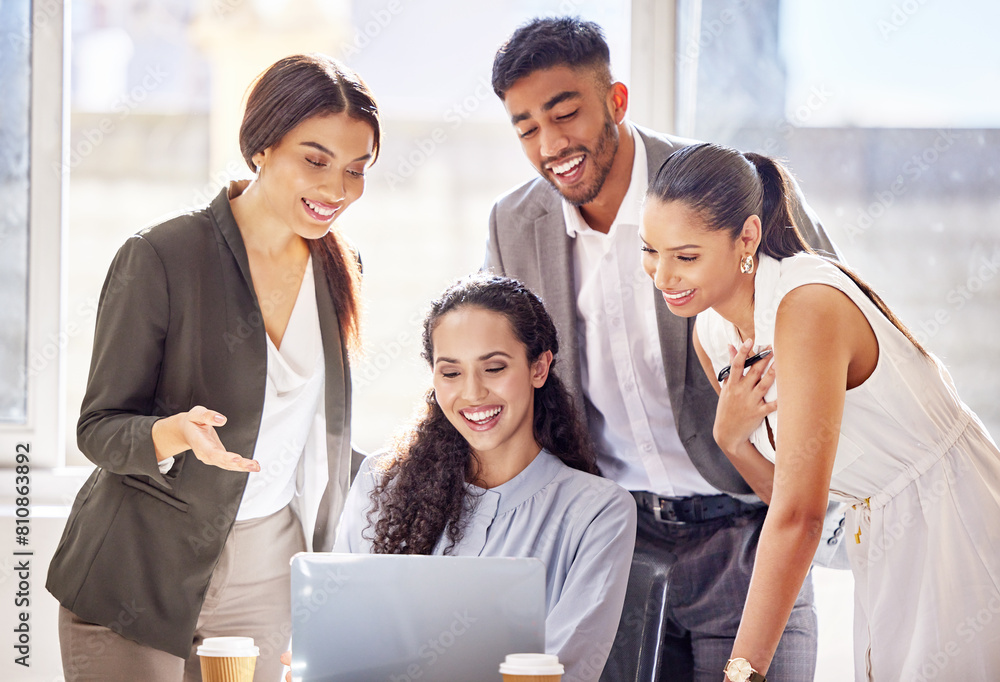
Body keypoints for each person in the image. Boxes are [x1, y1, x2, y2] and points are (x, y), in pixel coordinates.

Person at [485, 16, 843, 681]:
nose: (551, 144)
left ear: (616, 101)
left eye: (566, 114)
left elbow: (834, 322)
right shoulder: (513, 224)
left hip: (745, 536)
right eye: (527, 128)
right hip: (618, 547)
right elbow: (501, 380)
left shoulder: (727, 186)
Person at [45, 53, 381, 682]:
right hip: (139, 570)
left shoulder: (341, 268)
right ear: (262, 147)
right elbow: (99, 427)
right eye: (315, 160)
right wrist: (173, 433)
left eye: (356, 170)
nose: (337, 189)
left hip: (269, 571)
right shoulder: (160, 256)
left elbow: (312, 432)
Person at [639, 141, 1000, 681]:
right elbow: (794, 497)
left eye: (685, 256)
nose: (662, 277)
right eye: (649, 251)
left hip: (956, 522)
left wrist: (741, 673)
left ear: (748, 238)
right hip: (881, 540)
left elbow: (800, 519)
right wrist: (733, 442)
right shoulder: (712, 335)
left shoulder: (807, 303)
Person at [332, 274, 637, 682]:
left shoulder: (598, 511)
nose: (473, 394)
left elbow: (563, 670)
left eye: (494, 368)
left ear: (539, 367)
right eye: (451, 373)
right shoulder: (379, 481)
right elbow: (337, 629)